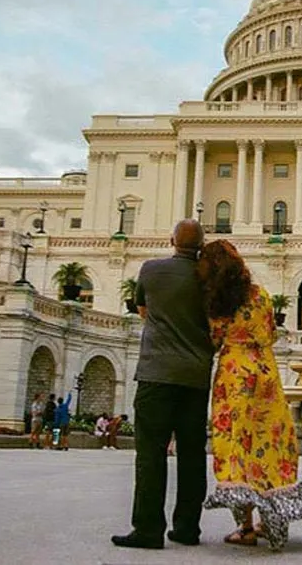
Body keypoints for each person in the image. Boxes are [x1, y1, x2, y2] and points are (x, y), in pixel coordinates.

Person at [198, 240, 302, 551]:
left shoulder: (220, 302)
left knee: (238, 446)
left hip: (235, 376)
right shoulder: (260, 294)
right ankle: (272, 521)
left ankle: (246, 527)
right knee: (272, 443)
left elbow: (214, 339)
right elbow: (272, 332)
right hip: (265, 373)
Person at [112, 220, 214, 550]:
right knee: (192, 454)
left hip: (156, 373)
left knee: (151, 454)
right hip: (195, 376)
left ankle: (148, 528)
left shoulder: (151, 270)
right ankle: (187, 527)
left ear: (172, 240)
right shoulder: (209, 277)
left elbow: (143, 310)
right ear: (202, 243)